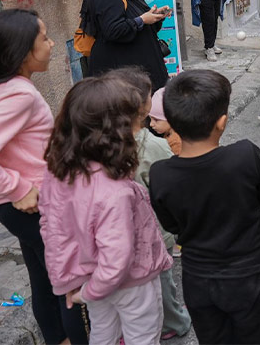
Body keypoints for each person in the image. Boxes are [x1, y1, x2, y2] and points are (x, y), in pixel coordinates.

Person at [0, 10, 89, 345]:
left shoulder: (8, 87)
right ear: (21, 53)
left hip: (25, 209)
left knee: (46, 280)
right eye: (45, 39)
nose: (51, 44)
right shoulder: (17, 94)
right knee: (72, 287)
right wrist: (18, 188)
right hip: (37, 206)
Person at [40, 76, 172, 345]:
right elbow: (117, 258)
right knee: (144, 336)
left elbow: (52, 230)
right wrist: (90, 292)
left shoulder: (56, 175)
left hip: (91, 276)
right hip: (132, 281)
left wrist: (70, 283)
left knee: (103, 334)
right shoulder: (115, 190)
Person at [149, 70, 260, 344]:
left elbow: (171, 224)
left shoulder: (160, 174)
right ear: (222, 122)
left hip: (198, 275)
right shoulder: (244, 156)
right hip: (250, 271)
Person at [104, 68, 192, 340]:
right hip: (152, 228)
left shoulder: (100, 143)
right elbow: (170, 187)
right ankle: (175, 322)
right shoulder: (152, 147)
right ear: (140, 108)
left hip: (113, 231)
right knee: (162, 278)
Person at [82, 0, 170, 90]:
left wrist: (156, 16)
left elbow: (143, 27)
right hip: (123, 77)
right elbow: (113, 30)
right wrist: (142, 20)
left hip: (139, 70)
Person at [149, 88, 182, 155]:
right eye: (150, 119)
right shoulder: (168, 133)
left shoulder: (176, 143)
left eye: (156, 120)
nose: (151, 124)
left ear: (171, 118)